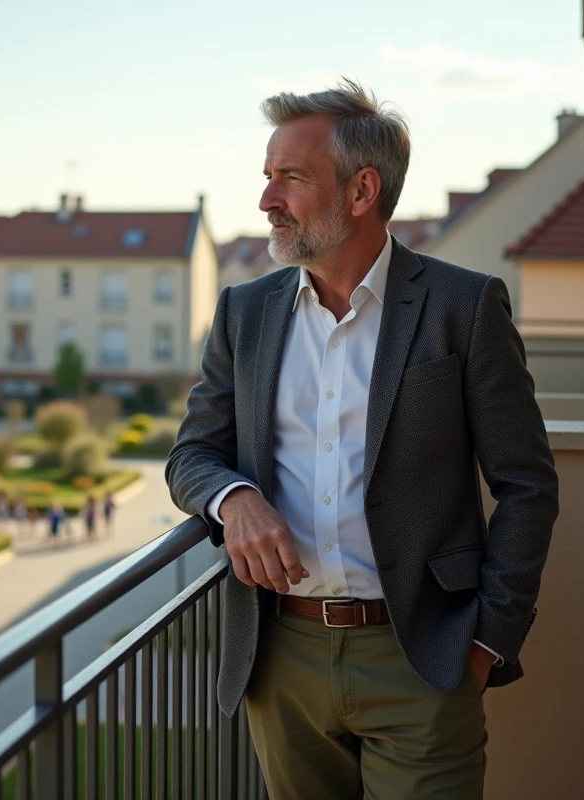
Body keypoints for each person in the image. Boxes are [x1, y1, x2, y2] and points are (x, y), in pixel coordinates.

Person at [165, 79, 558, 800]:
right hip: (279, 657)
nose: (266, 200)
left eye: (290, 177)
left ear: (360, 190)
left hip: (423, 656)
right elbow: (192, 453)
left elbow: (528, 485)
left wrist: (485, 642)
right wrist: (234, 499)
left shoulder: (463, 307)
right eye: (267, 176)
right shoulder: (245, 312)